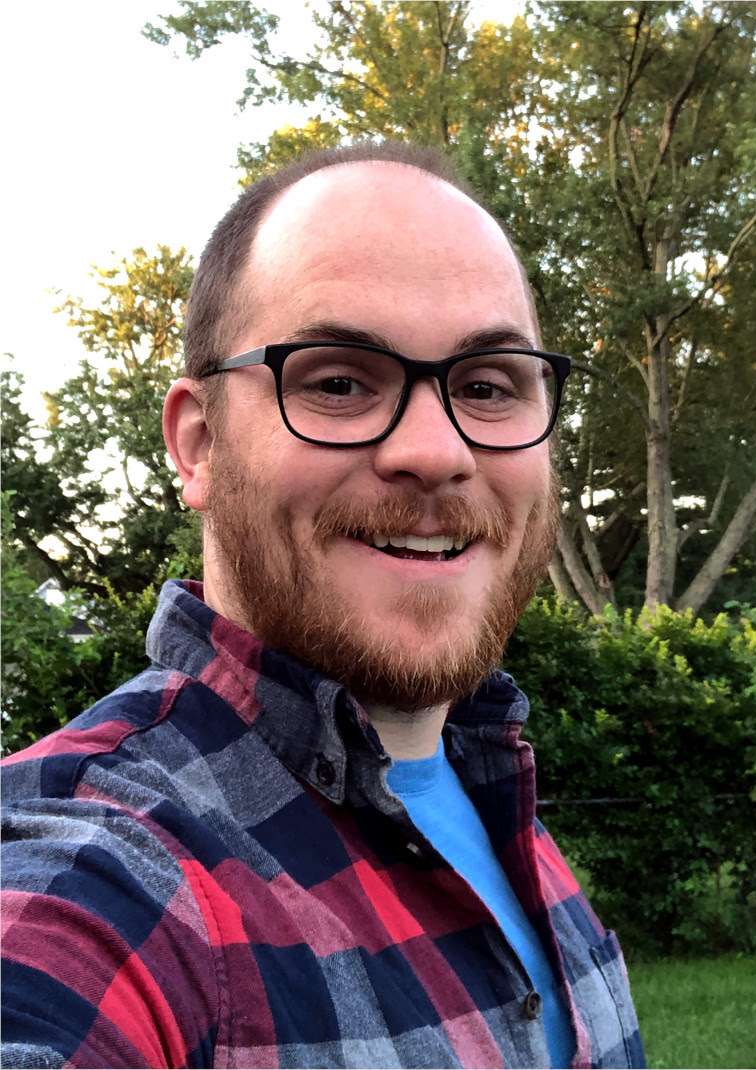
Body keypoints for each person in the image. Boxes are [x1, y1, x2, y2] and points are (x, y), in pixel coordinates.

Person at [2, 141, 644, 1070]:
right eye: (339, 382)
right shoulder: (93, 879)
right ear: (198, 445)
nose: (437, 451)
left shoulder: (487, 785)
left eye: (487, 386)